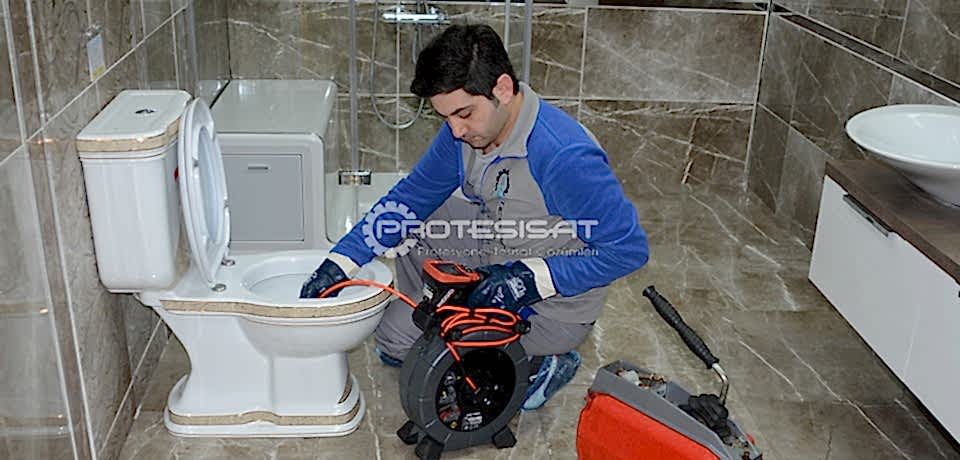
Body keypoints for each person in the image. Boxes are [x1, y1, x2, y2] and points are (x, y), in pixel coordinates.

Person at [300, 24, 648, 410]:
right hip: (495, 247)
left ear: (502, 89)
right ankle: (438, 315)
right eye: (446, 117)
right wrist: (341, 262)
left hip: (549, 305)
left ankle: (543, 362)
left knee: (398, 340)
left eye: (464, 113)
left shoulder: (564, 156)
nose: (455, 130)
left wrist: (528, 280)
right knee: (418, 225)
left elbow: (628, 250)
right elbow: (410, 199)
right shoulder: (464, 131)